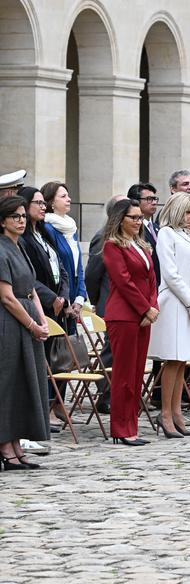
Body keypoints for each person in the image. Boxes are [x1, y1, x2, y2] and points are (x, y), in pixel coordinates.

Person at [148, 193, 190, 438]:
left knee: (183, 360)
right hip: (174, 303)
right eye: (187, 212)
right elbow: (171, 275)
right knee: (172, 358)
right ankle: (165, 413)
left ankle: (177, 412)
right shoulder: (166, 234)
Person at [103, 199, 158, 445]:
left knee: (137, 374)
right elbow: (124, 282)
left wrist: (153, 306)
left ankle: (132, 426)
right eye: (133, 218)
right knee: (124, 375)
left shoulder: (142, 245)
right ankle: (120, 428)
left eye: (139, 218)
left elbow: (152, 279)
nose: (138, 222)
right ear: (120, 220)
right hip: (124, 315)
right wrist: (145, 308)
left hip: (144, 317)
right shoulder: (112, 246)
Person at [0, 195, 49, 470]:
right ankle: (5, 446)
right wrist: (32, 325)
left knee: (24, 383)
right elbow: (7, 297)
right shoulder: (1, 250)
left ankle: (16, 444)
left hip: (28, 320)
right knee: (8, 384)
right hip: (9, 323)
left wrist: (41, 322)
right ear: (3, 221)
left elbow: (31, 289)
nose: (20, 221)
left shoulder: (20, 248)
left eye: (22, 216)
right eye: (14, 217)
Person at [17, 186, 66, 455]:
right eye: (36, 203)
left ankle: (44, 414)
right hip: (39, 307)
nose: (41, 207)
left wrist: (66, 296)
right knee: (37, 367)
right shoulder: (20, 239)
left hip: (55, 305)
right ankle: (39, 416)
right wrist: (50, 299)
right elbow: (29, 278)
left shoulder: (45, 232)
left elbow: (62, 266)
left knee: (51, 362)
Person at [84, 195, 126, 414]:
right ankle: (105, 394)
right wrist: (97, 302)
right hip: (109, 304)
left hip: (127, 306)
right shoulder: (103, 237)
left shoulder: (130, 237)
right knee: (111, 351)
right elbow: (92, 275)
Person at [41, 181, 85, 334]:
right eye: (63, 196)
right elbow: (54, 267)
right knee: (59, 351)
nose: (69, 199)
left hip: (74, 298)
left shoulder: (71, 227)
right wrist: (65, 302)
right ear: (51, 202)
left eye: (68, 195)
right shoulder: (47, 228)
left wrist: (80, 299)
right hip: (59, 300)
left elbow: (78, 266)